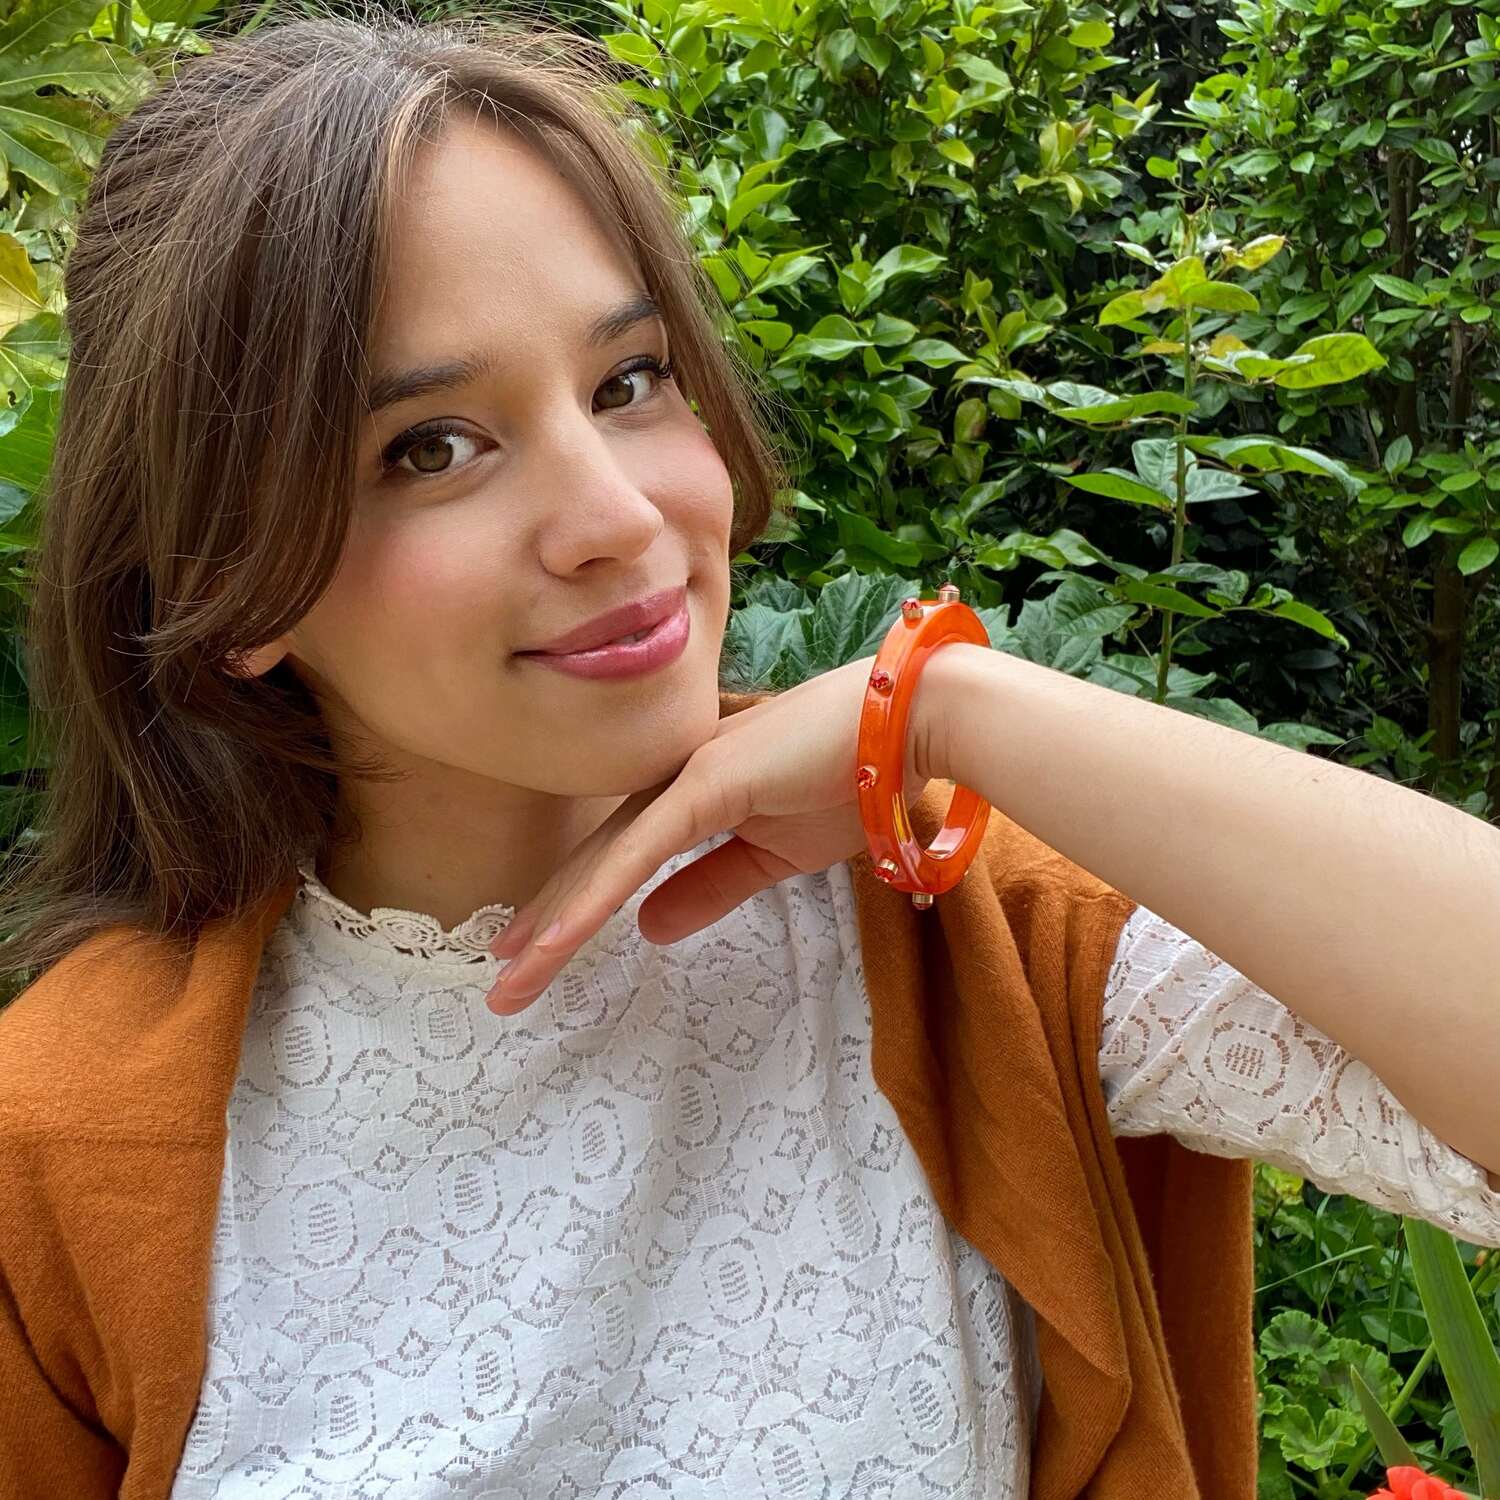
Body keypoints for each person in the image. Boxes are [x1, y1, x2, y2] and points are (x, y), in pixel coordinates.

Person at [0, 11, 1497, 1497]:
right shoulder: (66, 1150)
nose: (620, 519)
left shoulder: (965, 933)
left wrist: (960, 708)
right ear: (229, 576)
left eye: (629, 380)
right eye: (430, 448)